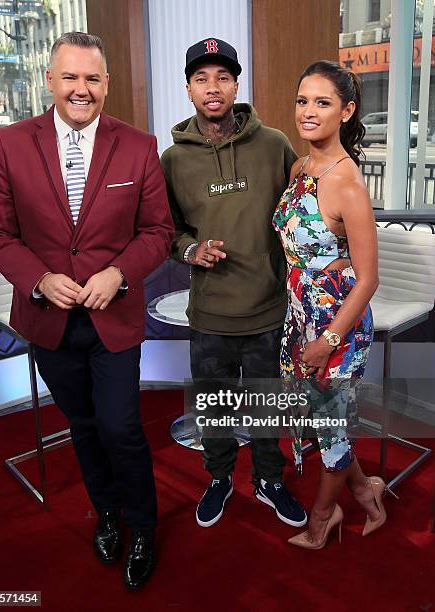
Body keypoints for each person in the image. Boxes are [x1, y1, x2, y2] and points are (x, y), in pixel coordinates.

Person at [0, 32, 173, 589]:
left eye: (92, 78)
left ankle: (142, 528)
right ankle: (106, 513)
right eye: (70, 77)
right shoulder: (12, 142)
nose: (81, 89)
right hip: (49, 319)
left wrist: (118, 273)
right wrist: (39, 279)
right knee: (84, 425)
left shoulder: (137, 145)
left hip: (114, 317)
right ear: (50, 80)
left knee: (122, 426)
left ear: (107, 84)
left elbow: (158, 232)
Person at [161, 38, 307, 529]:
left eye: (222, 76)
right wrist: (189, 250)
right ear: (188, 89)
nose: (213, 87)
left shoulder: (273, 144)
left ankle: (269, 479)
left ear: (236, 84)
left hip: (269, 307)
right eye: (201, 78)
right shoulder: (173, 160)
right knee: (217, 408)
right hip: (210, 313)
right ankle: (219, 478)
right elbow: (167, 230)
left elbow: (304, 209)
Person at [272, 60, 398, 549]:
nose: (308, 111)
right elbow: (314, 247)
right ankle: (368, 493)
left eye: (322, 102)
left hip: (337, 329)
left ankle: (323, 518)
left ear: (346, 111)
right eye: (303, 100)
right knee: (329, 425)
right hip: (301, 315)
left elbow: (368, 280)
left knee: (332, 431)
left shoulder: (348, 184)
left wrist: (327, 341)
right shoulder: (300, 167)